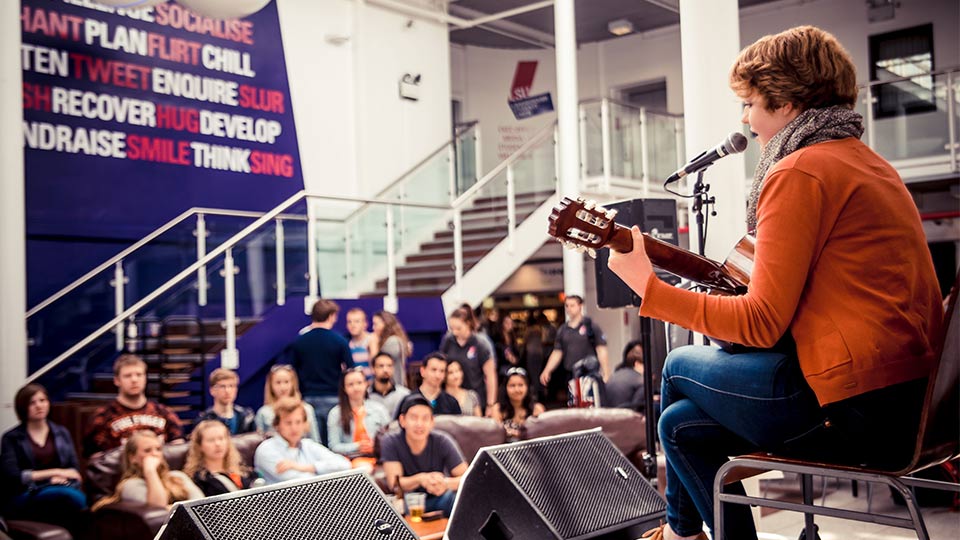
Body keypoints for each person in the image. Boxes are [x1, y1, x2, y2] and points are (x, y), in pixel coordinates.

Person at [606, 26, 943, 540]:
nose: (745, 118)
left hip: (852, 411)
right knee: (679, 425)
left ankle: (679, 534)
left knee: (676, 364)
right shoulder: (873, 166)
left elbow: (762, 324)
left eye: (749, 102)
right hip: (911, 409)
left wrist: (652, 292)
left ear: (786, 101)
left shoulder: (800, 171)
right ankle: (686, 533)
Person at [1, 384, 87, 533]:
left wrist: (61, 478)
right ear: (23, 407)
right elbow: (13, 476)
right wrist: (53, 475)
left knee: (63, 502)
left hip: (59, 489)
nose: (39, 406)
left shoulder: (61, 432)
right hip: (26, 493)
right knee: (70, 498)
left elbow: (74, 470)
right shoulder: (11, 438)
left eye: (42, 400)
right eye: (32, 402)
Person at [381, 395, 468, 517]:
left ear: (432, 422)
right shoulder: (390, 441)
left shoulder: (443, 440)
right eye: (414, 418)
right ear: (402, 420)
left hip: (439, 498)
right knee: (390, 508)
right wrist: (421, 479)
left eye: (425, 418)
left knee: (456, 499)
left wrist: (445, 483)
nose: (419, 424)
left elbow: (466, 477)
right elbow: (394, 483)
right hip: (408, 501)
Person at [84, 354, 184, 457]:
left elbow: (178, 449)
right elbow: (95, 460)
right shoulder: (102, 417)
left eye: (139, 374)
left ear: (145, 378)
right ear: (117, 380)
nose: (134, 380)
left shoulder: (164, 413)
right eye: (128, 375)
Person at [290, 298, 355, 445]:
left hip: (308, 397)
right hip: (334, 396)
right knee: (335, 441)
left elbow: (293, 371)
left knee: (314, 443)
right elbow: (350, 370)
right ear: (331, 316)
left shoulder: (300, 341)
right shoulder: (339, 340)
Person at [92, 430, 203, 510]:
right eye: (147, 450)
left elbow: (200, 505)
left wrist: (170, 508)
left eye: (158, 449)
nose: (155, 454)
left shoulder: (177, 476)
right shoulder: (130, 485)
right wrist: (150, 472)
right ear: (133, 458)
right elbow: (158, 510)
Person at [254, 398, 351, 485]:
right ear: (277, 425)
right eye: (288, 423)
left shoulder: (308, 445)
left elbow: (345, 465)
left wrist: (303, 467)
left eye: (298, 422)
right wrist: (323, 472)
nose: (294, 428)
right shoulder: (266, 449)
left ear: (305, 424)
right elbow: (300, 482)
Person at [539, 296, 610, 397]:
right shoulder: (563, 330)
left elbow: (601, 349)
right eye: (567, 306)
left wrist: (606, 372)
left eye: (572, 305)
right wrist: (547, 370)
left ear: (580, 306)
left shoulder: (590, 326)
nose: (569, 308)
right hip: (570, 373)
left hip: (588, 372)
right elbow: (557, 352)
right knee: (573, 401)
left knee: (589, 401)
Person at [440, 307, 497, 416]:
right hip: (451, 395)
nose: (455, 332)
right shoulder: (448, 340)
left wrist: (491, 404)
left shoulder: (480, 344)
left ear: (468, 324)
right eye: (452, 328)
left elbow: (490, 376)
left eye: (458, 328)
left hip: (475, 397)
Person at [183, 420, 258, 496]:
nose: (218, 444)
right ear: (199, 446)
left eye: (221, 438)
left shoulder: (243, 470)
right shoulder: (199, 480)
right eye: (211, 440)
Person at [327, 368, 391, 456]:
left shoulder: (379, 409)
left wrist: (376, 445)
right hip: (350, 459)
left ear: (366, 384)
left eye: (359, 383)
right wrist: (357, 446)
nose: (356, 388)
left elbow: (390, 437)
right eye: (350, 384)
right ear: (344, 388)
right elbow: (333, 446)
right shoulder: (335, 414)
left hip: (378, 455)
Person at [255, 364, 322, 442]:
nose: (283, 387)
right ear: (270, 385)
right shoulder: (263, 412)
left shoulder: (307, 409)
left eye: (286, 382)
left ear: (293, 383)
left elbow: (315, 440)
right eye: (278, 382)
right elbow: (258, 441)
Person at [199, 368, 256, 435]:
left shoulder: (247, 417)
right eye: (222, 386)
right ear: (212, 390)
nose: (227, 391)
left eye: (231, 386)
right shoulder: (204, 421)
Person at [495, 367, 545, 441]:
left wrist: (514, 433)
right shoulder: (497, 409)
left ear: (527, 387)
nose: (517, 390)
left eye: (521, 385)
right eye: (512, 385)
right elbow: (497, 435)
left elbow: (541, 434)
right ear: (505, 388)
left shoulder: (538, 408)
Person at [371, 310, 411, 386]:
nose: (373, 328)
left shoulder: (392, 341)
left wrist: (373, 344)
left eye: (375, 324)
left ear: (385, 324)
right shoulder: (392, 340)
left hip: (393, 386)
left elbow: (377, 363)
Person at [605, 340, 646, 412]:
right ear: (637, 364)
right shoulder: (640, 380)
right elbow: (637, 407)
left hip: (608, 417)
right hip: (626, 418)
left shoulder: (614, 375)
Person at [367, 352, 411, 418]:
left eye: (389, 366)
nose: (385, 370)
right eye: (381, 366)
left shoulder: (404, 394)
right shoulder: (366, 395)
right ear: (373, 369)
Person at [346, 307, 375, 380]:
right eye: (349, 322)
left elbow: (376, 367)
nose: (353, 325)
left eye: (357, 321)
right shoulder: (347, 344)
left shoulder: (372, 339)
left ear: (365, 324)